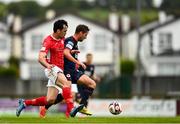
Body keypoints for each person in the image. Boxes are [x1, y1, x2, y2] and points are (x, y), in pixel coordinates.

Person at [16, 20, 83, 118]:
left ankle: (25, 103)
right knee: (66, 83)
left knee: (50, 100)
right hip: (52, 68)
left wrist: (71, 52)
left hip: (59, 70)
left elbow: (62, 52)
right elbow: (40, 58)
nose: (66, 33)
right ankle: (72, 108)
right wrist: (47, 65)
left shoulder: (62, 38)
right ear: (58, 30)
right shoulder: (48, 41)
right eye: (64, 31)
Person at [39, 24, 96, 118]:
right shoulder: (70, 40)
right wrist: (77, 61)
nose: (85, 38)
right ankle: (45, 106)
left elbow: (68, 53)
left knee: (92, 84)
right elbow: (65, 53)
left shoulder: (75, 42)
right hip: (67, 71)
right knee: (66, 93)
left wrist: (76, 63)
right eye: (85, 35)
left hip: (74, 71)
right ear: (81, 33)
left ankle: (82, 106)